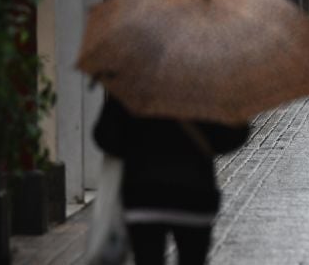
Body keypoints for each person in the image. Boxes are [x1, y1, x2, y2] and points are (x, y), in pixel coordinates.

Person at [93, 97, 249, 265]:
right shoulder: (208, 91)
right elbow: (234, 135)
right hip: (194, 195)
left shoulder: (133, 88)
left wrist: (135, 147)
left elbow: (104, 136)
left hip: (144, 194)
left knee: (147, 259)